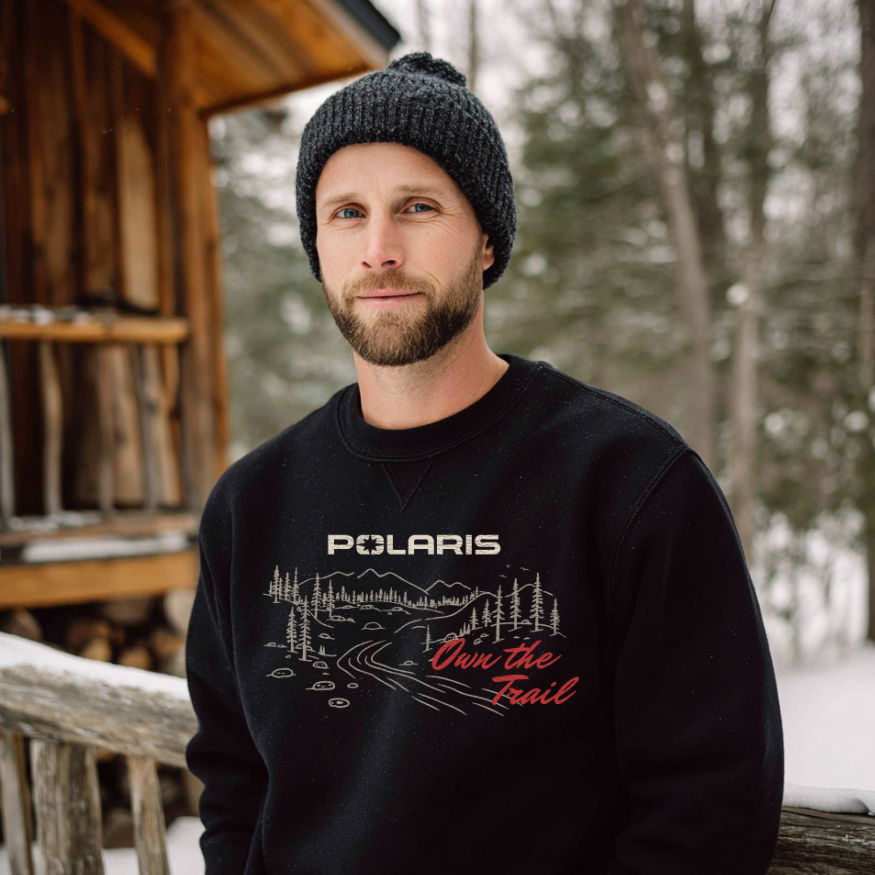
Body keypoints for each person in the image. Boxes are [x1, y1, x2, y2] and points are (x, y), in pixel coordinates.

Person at [184, 51, 784, 875]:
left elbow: (707, 802)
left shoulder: (628, 480)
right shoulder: (253, 503)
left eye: (418, 207)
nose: (379, 248)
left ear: (488, 241)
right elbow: (232, 777)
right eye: (346, 213)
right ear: (317, 249)